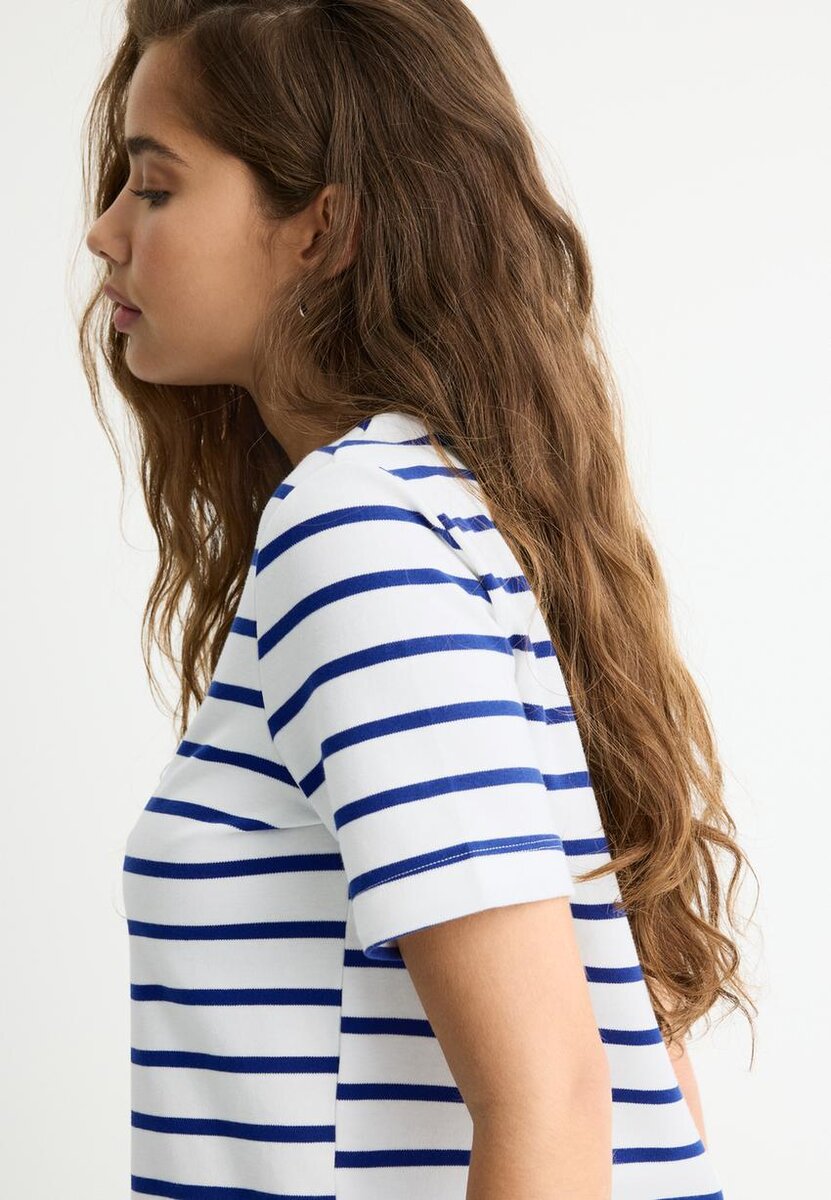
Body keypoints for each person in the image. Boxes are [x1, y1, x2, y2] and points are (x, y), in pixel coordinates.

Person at [81, 2, 756, 1197]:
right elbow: (635, 1081)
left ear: (322, 228)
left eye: (157, 187)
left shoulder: (356, 532)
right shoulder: (444, 513)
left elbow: (552, 1098)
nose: (104, 231)